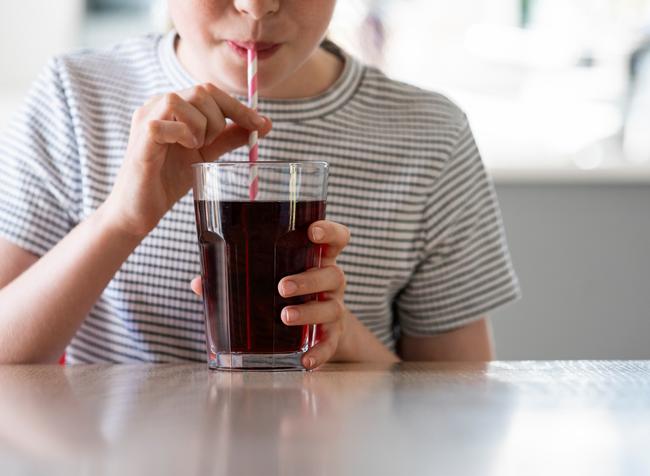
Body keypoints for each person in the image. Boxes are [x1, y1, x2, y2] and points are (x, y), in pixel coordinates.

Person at [0, 0, 520, 367]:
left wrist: (346, 344)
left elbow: (461, 400)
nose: (256, 6)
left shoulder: (429, 134)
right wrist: (121, 220)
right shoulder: (76, 97)